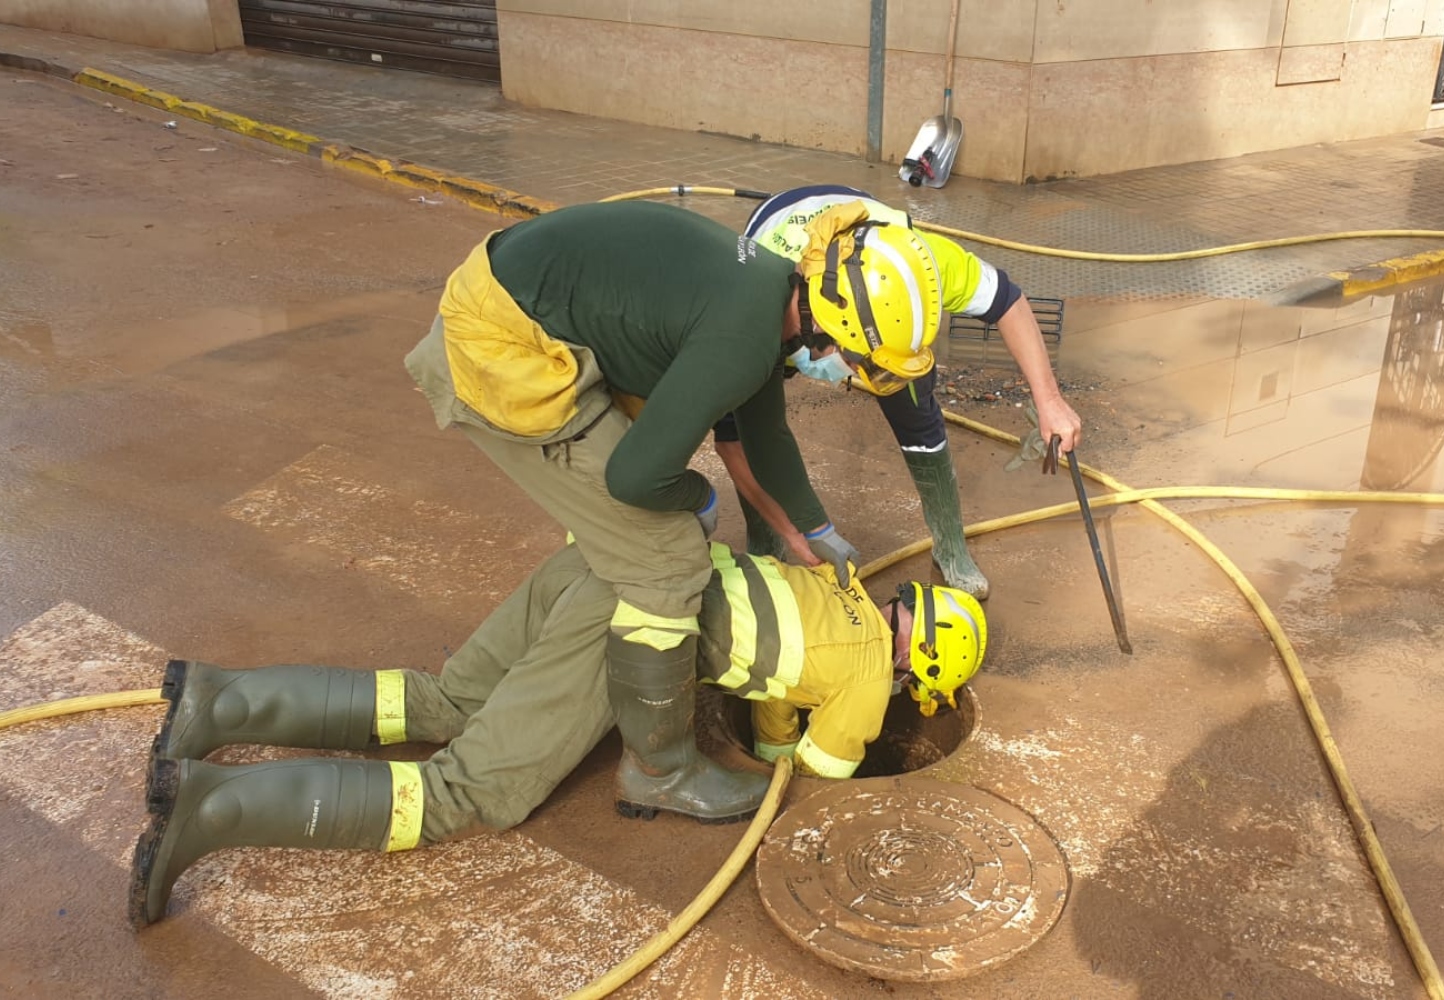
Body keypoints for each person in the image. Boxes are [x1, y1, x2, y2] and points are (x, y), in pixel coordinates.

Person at [129, 540, 988, 927]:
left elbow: (775, 704)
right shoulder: (875, 676)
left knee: (445, 703)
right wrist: (787, 764)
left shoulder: (835, 585)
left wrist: (766, 738)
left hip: (601, 561)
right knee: (463, 793)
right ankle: (206, 808)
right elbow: (826, 766)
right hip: (635, 614)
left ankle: (217, 704)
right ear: (928, 670)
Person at [401, 201, 867, 828]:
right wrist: (698, 498)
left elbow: (767, 434)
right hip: (501, 345)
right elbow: (635, 477)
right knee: (669, 554)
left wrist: (812, 531)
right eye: (857, 361)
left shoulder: (766, 288)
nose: (846, 375)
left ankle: (446, 699)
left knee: (636, 536)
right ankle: (661, 771)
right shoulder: (744, 337)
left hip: (513, 298)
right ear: (833, 323)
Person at [714, 184, 1084, 601]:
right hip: (782, 264)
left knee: (915, 408)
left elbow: (1008, 301)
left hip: (857, 273)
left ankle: (951, 547)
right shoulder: (753, 310)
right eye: (860, 364)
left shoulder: (918, 265)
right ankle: (765, 542)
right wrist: (790, 528)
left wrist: (1049, 400)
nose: (854, 377)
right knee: (750, 422)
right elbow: (732, 441)